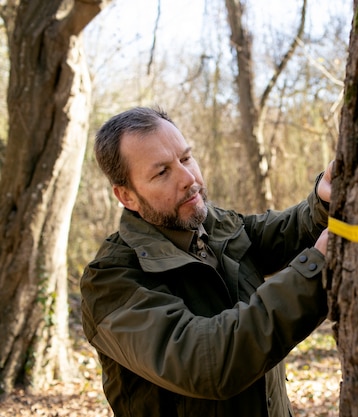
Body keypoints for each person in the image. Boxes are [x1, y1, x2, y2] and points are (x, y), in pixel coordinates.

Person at [80, 106, 332, 417]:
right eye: (162, 172)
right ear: (127, 197)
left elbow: (282, 233)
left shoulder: (213, 224)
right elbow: (206, 363)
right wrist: (315, 271)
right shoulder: (110, 281)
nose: (189, 178)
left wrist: (323, 202)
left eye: (185, 158)